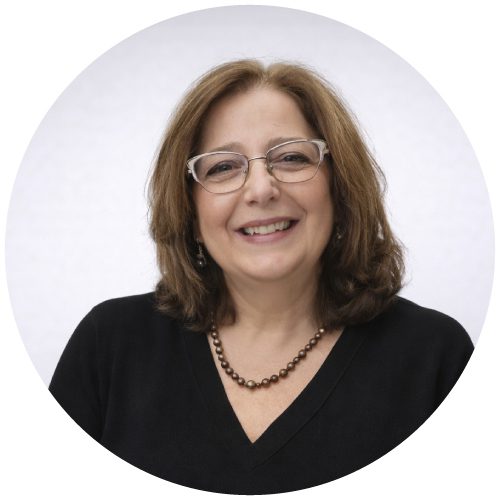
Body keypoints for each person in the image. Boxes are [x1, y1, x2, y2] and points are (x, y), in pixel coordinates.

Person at [49, 59, 473, 494]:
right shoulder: (109, 348)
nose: (260, 189)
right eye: (222, 167)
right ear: (189, 210)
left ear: (340, 187)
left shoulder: (435, 357)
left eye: (291, 158)